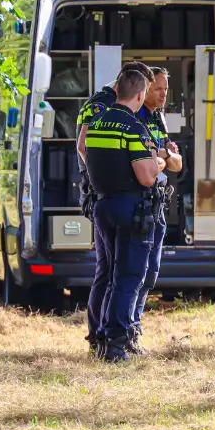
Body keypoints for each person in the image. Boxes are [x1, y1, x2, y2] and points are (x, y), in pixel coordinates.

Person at [77, 61, 155, 355]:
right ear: (139, 95)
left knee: (107, 274)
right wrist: (156, 160)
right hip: (130, 209)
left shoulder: (96, 124)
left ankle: (100, 338)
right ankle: (116, 346)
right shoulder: (134, 127)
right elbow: (146, 177)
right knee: (128, 276)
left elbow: (83, 151)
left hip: (102, 205)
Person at [130, 66, 182, 354]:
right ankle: (128, 330)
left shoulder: (158, 119)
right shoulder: (134, 117)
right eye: (158, 88)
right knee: (136, 271)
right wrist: (163, 156)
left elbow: (176, 164)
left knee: (151, 272)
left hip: (158, 201)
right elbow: (152, 161)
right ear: (144, 88)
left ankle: (135, 326)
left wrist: (162, 156)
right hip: (140, 203)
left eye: (165, 88)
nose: (163, 94)